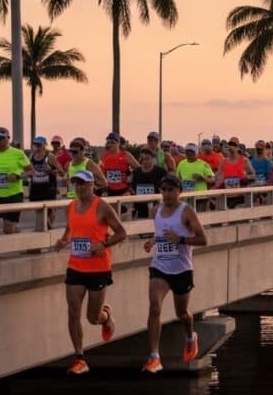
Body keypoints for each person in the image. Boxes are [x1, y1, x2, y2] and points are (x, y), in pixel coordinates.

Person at [53, 170, 127, 375]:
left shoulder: (102, 207)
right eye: (76, 184)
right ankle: (80, 358)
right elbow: (70, 230)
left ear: (92, 185)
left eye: (83, 184)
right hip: (76, 265)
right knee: (73, 311)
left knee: (92, 317)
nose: (79, 188)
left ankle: (106, 316)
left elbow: (122, 233)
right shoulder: (71, 207)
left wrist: (103, 244)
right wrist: (64, 240)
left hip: (98, 268)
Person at [140, 175, 208, 373]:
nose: (167, 194)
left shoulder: (186, 212)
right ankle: (154, 357)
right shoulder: (156, 211)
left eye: (171, 190)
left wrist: (180, 240)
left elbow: (203, 239)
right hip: (159, 266)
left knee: (182, 314)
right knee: (154, 308)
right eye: (163, 190)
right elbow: (161, 232)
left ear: (179, 191)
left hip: (181, 269)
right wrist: (153, 242)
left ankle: (190, 336)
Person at [0, 127, 32, 236]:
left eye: (0, 139)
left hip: (14, 195)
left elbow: (31, 171)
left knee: (8, 229)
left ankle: (17, 236)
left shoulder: (18, 153)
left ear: (8, 139)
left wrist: (18, 176)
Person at [29, 136, 64, 228]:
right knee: (39, 212)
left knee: (49, 211)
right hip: (36, 188)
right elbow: (30, 172)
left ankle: (49, 229)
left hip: (48, 188)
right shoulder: (32, 157)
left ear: (44, 146)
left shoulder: (49, 157)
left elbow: (61, 172)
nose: (37, 147)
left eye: (39, 145)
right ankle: (47, 228)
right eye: (35, 145)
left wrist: (50, 171)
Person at [213, 138, 255, 208]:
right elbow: (217, 177)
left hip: (241, 195)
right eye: (230, 144)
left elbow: (253, 175)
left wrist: (245, 178)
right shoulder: (223, 162)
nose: (231, 147)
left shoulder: (244, 160)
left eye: (234, 145)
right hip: (226, 195)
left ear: (238, 147)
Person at [131, 149, 168, 219]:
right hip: (140, 208)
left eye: (147, 158)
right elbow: (133, 188)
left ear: (153, 159)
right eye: (142, 159)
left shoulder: (161, 172)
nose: (144, 161)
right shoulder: (136, 172)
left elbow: (167, 188)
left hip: (157, 207)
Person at [175, 143, 214, 208]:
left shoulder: (203, 164)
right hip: (185, 197)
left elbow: (213, 180)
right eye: (187, 151)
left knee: (199, 217)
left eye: (192, 151)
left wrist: (203, 178)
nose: (189, 153)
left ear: (196, 153)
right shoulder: (181, 164)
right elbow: (177, 179)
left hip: (200, 197)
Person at [101, 132, 138, 199]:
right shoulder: (104, 156)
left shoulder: (125, 155)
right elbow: (101, 173)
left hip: (124, 190)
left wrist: (130, 177)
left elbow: (139, 169)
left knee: (122, 209)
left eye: (112, 142)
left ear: (118, 144)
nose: (110, 145)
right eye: (108, 142)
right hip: (109, 191)